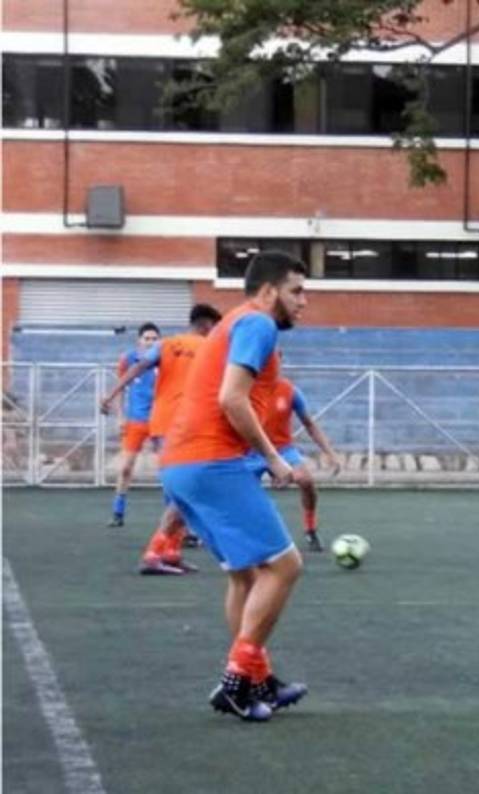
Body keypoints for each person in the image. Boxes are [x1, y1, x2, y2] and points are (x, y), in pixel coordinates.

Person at [159, 251, 309, 722]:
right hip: (210, 462)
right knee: (285, 566)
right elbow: (231, 397)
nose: (304, 303)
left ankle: (258, 679)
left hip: (181, 466)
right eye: (296, 291)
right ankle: (234, 682)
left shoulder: (237, 323)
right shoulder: (258, 324)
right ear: (268, 292)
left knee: (245, 575)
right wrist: (273, 458)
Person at [101, 303, 223, 575]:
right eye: (215, 327)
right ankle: (156, 553)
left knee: (179, 487)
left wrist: (111, 394)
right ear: (206, 325)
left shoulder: (167, 345)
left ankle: (170, 552)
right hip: (185, 425)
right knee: (185, 489)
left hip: (162, 423)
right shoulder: (209, 347)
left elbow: (138, 367)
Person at [248, 375, 341, 553]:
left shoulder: (289, 390)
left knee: (306, 480)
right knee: (235, 493)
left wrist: (330, 453)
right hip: (251, 450)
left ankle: (310, 529)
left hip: (283, 450)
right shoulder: (244, 387)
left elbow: (309, 424)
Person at [106, 322, 160, 527]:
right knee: (126, 467)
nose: (151, 342)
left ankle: (179, 523)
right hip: (136, 420)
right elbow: (120, 387)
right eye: (147, 338)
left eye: (154, 339)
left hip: (159, 421)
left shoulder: (164, 359)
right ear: (140, 340)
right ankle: (118, 512)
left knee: (169, 470)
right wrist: (120, 416)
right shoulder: (129, 359)